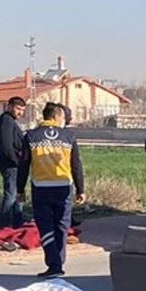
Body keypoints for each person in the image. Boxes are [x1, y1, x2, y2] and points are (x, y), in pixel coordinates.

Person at [17, 102, 86, 278]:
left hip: (41, 188)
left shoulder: (31, 136)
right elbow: (76, 165)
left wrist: (20, 189)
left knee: (45, 226)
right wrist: (80, 189)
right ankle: (59, 261)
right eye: (63, 116)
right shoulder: (68, 136)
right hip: (63, 188)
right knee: (62, 225)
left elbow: (24, 164)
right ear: (56, 117)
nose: (64, 120)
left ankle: (54, 264)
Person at [0, 97, 27, 230]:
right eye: (18, 109)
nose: (20, 113)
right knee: (11, 195)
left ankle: (17, 224)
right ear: (9, 106)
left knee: (17, 195)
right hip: (10, 165)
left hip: (12, 164)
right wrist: (17, 161)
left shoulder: (10, 121)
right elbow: (6, 146)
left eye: (23, 110)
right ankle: (3, 227)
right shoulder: (6, 121)